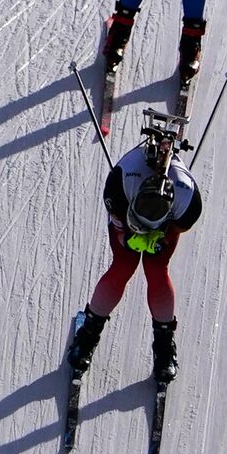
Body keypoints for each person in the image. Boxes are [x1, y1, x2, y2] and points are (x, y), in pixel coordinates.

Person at [66, 121, 203, 382]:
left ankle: (164, 344)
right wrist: (128, 233)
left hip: (163, 226)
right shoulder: (119, 184)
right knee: (124, 265)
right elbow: (119, 227)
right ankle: (89, 334)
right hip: (129, 214)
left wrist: (158, 237)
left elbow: (175, 229)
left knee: (156, 268)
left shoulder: (188, 200)